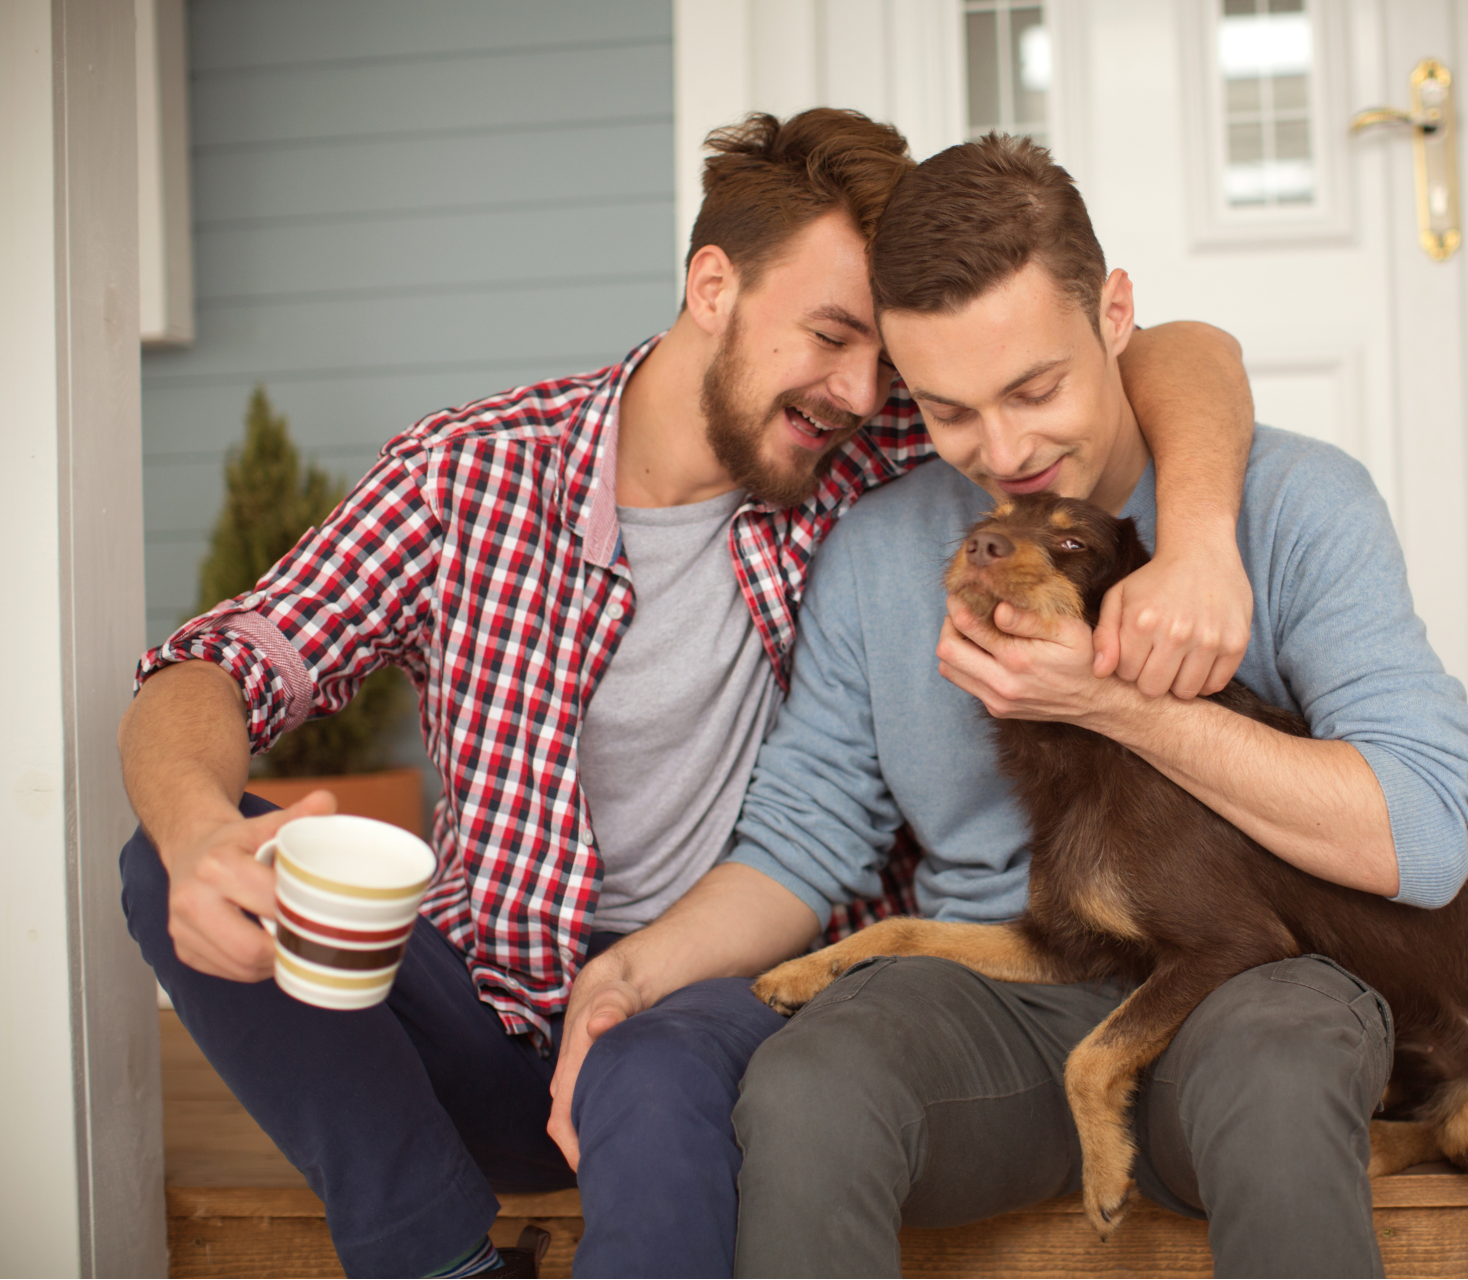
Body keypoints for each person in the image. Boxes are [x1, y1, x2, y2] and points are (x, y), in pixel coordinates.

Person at [116, 111, 1259, 1279]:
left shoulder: (874, 464)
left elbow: (1175, 351)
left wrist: (1204, 535)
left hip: (721, 1012)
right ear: (713, 283)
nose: (862, 391)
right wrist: (203, 829)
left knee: (651, 1070)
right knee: (167, 859)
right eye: (829, 334)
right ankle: (439, 1259)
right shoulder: (468, 475)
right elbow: (216, 662)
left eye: (888, 364)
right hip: (492, 1011)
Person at [676, 134, 1468, 1277]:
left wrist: (1120, 698)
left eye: (1036, 388)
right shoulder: (880, 551)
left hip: (1249, 983)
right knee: (810, 1083)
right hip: (1004, 1001)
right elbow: (808, 828)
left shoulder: (1297, 505)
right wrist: (635, 973)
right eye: (950, 410)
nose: (1004, 451)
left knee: (1284, 1064)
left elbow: (1427, 830)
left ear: (1117, 314)